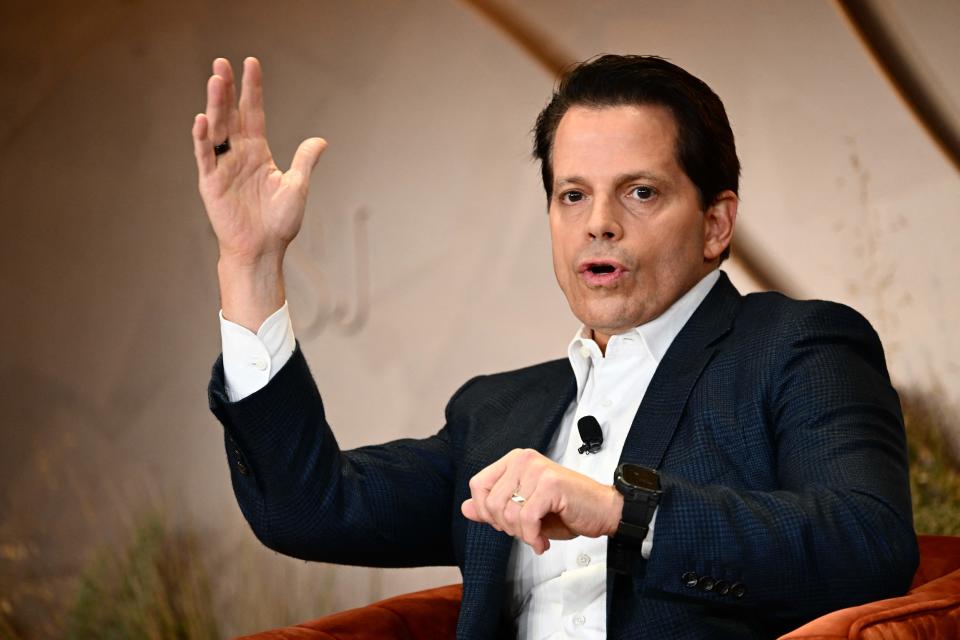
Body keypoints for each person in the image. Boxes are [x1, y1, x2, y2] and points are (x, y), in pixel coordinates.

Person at [194, 54, 918, 639]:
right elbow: (309, 508)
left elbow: (867, 546)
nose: (598, 223)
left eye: (639, 192)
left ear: (715, 223)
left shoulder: (798, 349)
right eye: (573, 195)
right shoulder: (498, 413)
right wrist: (250, 266)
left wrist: (626, 512)